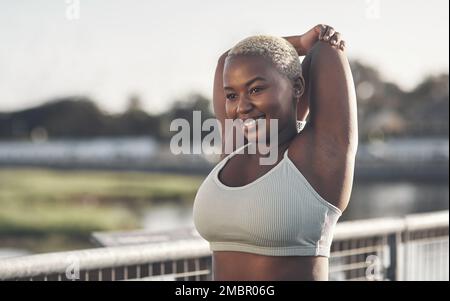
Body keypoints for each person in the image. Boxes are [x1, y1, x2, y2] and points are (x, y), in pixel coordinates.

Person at [193, 25, 358, 281]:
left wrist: (307, 45)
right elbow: (229, 59)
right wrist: (300, 43)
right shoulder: (236, 147)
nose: (242, 107)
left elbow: (324, 50)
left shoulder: (318, 156)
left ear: (298, 86)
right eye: (232, 95)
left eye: (256, 89)